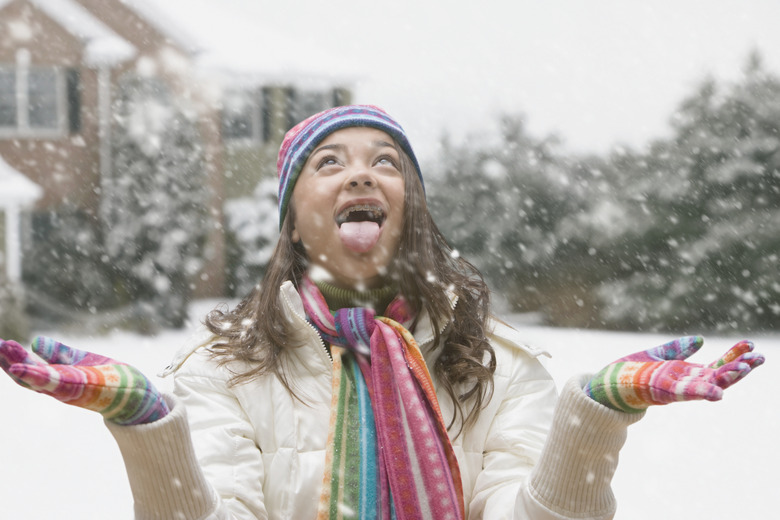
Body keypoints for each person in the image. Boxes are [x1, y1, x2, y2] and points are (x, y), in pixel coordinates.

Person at [0, 105, 764, 520]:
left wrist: (594, 414)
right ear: (293, 223)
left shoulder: (493, 368)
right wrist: (147, 428)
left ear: (412, 213)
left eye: (385, 163)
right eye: (328, 163)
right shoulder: (225, 372)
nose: (361, 173)